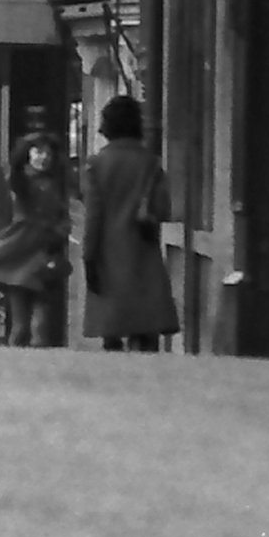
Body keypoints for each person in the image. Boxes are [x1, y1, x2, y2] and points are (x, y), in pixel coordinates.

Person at [80, 94, 181, 351]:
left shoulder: (97, 165)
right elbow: (163, 208)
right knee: (144, 325)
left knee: (111, 326)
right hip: (142, 249)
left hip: (107, 253)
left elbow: (93, 217)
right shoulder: (151, 163)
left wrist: (88, 256)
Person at [0, 128, 73, 347]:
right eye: (38, 152)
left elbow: (63, 215)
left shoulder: (56, 185)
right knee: (21, 322)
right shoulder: (20, 182)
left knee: (40, 319)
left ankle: (35, 351)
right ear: (27, 154)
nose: (44, 157)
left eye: (48, 153)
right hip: (21, 251)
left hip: (44, 253)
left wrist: (60, 232)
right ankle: (20, 352)